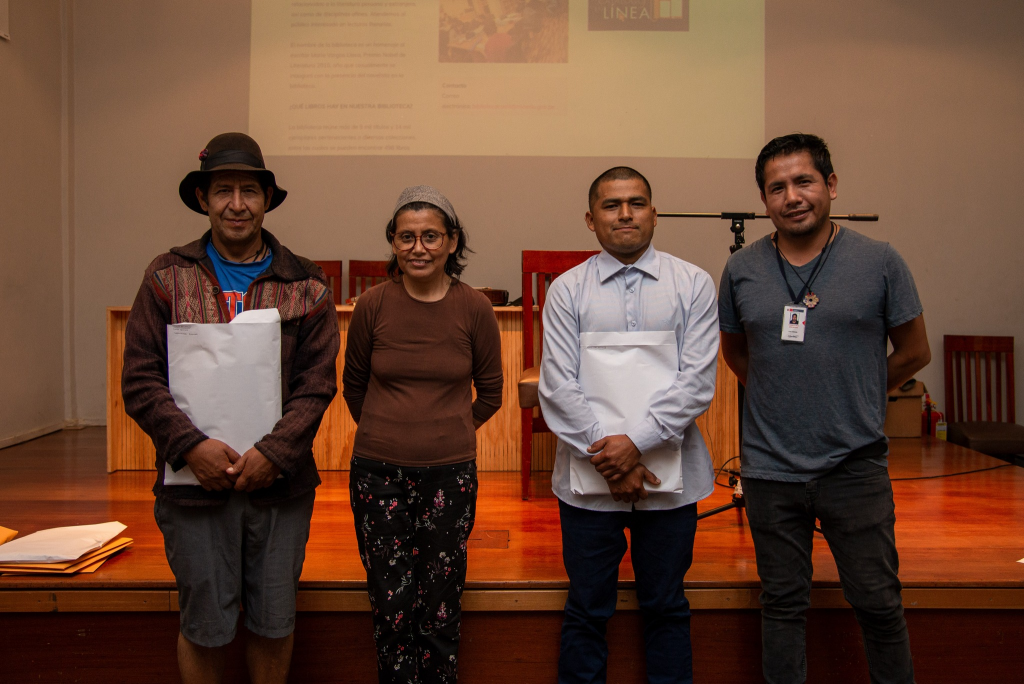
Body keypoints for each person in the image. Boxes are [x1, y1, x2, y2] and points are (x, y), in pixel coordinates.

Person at [121, 132, 340, 684]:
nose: (236, 204)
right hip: (194, 487)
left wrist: (274, 452)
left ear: (267, 200)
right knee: (204, 625)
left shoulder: (307, 284)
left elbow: (316, 386)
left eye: (249, 191)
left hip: (279, 487)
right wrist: (192, 448)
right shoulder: (165, 277)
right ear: (203, 199)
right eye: (223, 191)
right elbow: (141, 379)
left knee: (273, 621)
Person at [718, 133, 931, 684]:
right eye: (776, 187)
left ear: (831, 185)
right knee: (783, 607)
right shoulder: (741, 270)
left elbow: (915, 351)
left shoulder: (880, 261)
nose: (792, 196)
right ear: (764, 199)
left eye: (804, 181)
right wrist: (785, 391)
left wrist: (858, 388)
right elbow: (738, 353)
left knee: (879, 604)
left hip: (854, 466)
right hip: (769, 471)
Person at [539, 167, 719, 684]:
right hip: (587, 484)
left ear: (654, 213)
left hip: (672, 482)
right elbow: (558, 385)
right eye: (612, 205)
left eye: (637, 203)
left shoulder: (693, 284)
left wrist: (633, 446)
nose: (625, 214)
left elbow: (696, 382)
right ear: (591, 220)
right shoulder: (567, 290)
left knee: (666, 605)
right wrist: (614, 459)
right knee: (587, 607)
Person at [342, 186, 503, 683]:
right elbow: (353, 385)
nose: (418, 247)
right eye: (406, 236)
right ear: (392, 243)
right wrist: (386, 431)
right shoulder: (371, 305)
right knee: (390, 603)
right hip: (377, 475)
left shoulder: (474, 308)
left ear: (452, 242)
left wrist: (451, 429)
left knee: (439, 603)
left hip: (449, 479)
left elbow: (492, 393)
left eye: (430, 236)